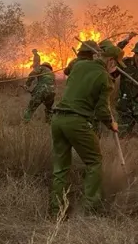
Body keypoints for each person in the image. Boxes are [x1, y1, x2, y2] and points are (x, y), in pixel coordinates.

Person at [49, 44, 125, 217]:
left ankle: (56, 211)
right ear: (111, 61)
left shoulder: (79, 65)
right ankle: (90, 209)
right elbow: (102, 110)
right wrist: (110, 124)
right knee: (94, 161)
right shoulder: (104, 77)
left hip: (58, 119)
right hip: (77, 122)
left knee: (60, 168)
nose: (116, 68)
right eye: (116, 64)